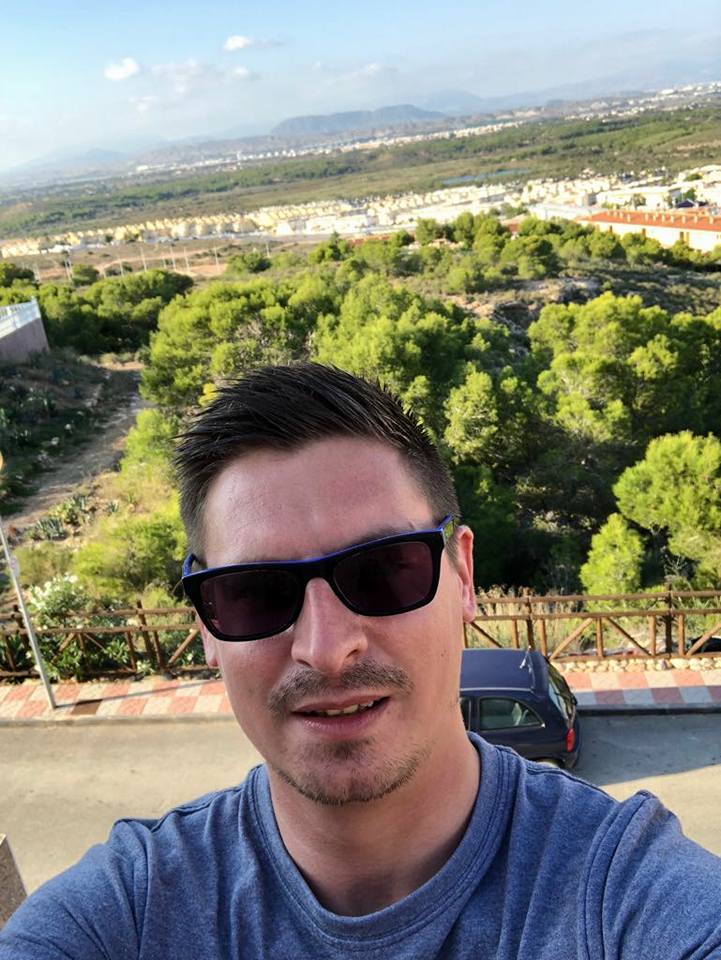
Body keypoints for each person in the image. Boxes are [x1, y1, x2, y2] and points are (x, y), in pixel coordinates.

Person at [2, 362, 721, 959]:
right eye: (254, 592)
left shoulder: (621, 892)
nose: (325, 648)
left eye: (382, 571)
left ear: (462, 576)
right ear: (206, 625)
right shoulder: (129, 912)